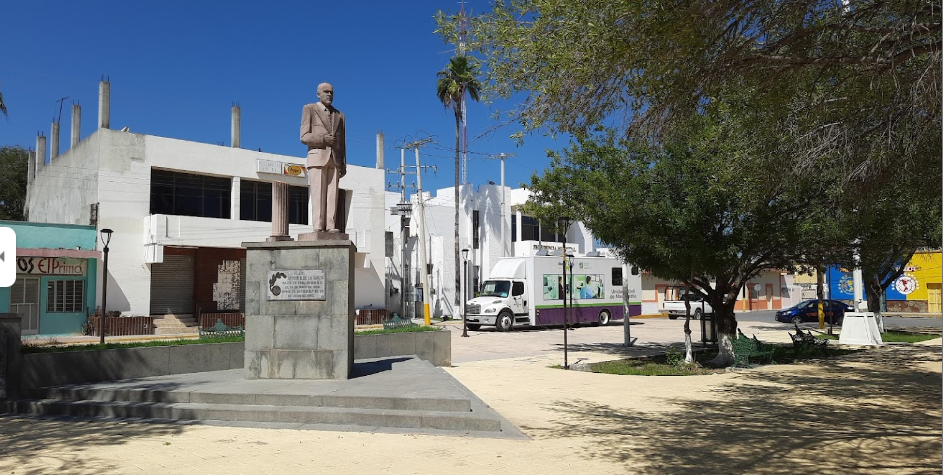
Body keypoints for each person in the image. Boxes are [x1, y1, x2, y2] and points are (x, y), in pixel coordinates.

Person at [300, 82, 346, 233]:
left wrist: (343, 164)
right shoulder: (310, 109)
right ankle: (318, 226)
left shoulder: (340, 115)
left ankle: (331, 225)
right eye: (326, 91)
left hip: (335, 159)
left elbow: (342, 143)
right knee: (318, 194)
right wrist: (323, 139)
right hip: (317, 156)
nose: (329, 94)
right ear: (318, 94)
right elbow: (304, 136)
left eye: (332, 92)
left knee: (333, 196)